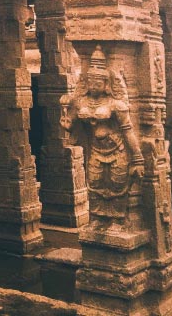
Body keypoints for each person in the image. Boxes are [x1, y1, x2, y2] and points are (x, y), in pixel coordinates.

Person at [61, 45, 143, 228]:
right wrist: (66, 123)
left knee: (117, 185)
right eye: (90, 83)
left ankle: (117, 219)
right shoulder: (82, 101)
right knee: (95, 183)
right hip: (96, 150)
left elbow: (128, 130)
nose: (93, 86)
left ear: (106, 85)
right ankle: (98, 218)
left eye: (98, 83)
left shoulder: (116, 104)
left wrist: (137, 158)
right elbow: (71, 126)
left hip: (117, 149)